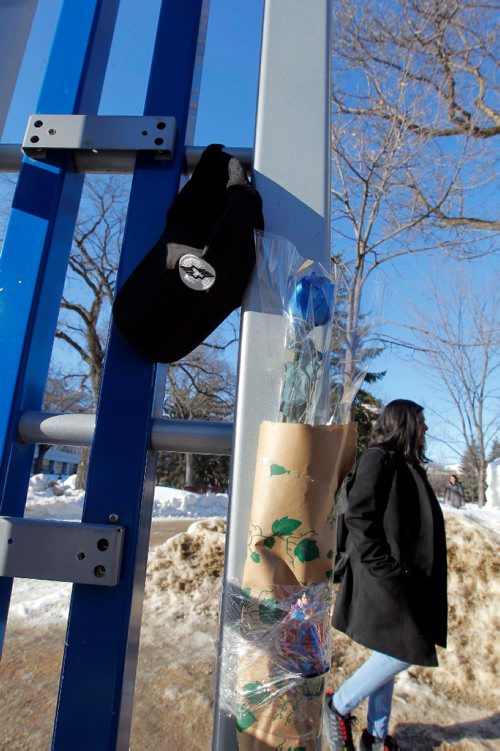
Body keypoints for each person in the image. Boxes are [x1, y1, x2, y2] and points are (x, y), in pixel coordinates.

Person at [324, 399, 448, 751]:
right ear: (403, 423)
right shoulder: (377, 458)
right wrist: (383, 567)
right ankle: (338, 705)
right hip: (379, 578)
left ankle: (376, 737)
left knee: (391, 650)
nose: (424, 429)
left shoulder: (403, 463)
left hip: (397, 578)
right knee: (403, 651)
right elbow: (359, 515)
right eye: (420, 422)